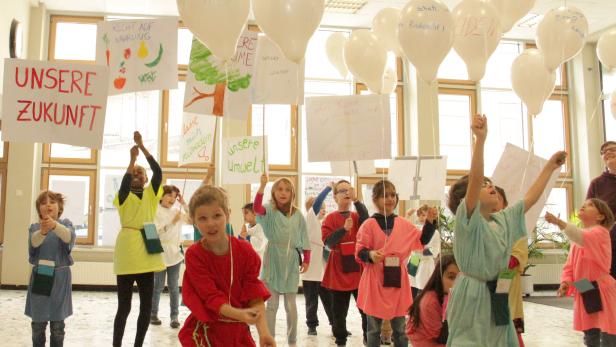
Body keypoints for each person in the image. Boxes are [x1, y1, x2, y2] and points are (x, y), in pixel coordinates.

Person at [445, 114, 567, 346]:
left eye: (490, 183)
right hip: (472, 293)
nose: (490, 185)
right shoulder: (468, 221)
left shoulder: (502, 220)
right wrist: (480, 141)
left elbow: (529, 199)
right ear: (464, 201)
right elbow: (475, 179)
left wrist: (550, 167)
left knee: (503, 339)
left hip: (498, 290)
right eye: (483, 184)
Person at [179, 185, 275, 346]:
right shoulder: (195, 255)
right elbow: (211, 296)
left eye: (217, 215)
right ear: (193, 221)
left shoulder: (245, 251)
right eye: (202, 218)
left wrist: (264, 333)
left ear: (228, 215)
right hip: (206, 331)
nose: (210, 223)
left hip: (238, 333)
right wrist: (239, 314)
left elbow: (254, 294)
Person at [355, 179, 438, 347]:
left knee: (400, 329)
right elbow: (359, 251)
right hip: (375, 280)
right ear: (375, 199)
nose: (390, 198)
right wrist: (370, 254)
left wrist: (430, 222)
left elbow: (422, 240)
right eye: (385, 195)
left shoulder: (403, 224)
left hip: (398, 282)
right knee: (373, 330)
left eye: (393, 195)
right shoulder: (368, 225)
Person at [112, 131, 165, 347]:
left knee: (146, 306)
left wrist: (142, 147)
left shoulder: (152, 195)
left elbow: (158, 172)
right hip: (127, 253)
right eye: (134, 172)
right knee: (124, 307)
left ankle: (138, 345)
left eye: (140, 173)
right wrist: (132, 160)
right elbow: (125, 184)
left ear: (145, 179)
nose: (137, 174)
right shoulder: (123, 196)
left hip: (147, 255)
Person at [546, 199, 616, 347]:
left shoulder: (601, 233)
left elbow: (581, 237)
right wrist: (565, 282)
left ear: (600, 216)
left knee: (607, 335)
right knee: (590, 333)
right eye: (584, 203)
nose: (584, 205)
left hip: (602, 287)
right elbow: (569, 266)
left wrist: (558, 222)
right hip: (584, 285)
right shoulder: (578, 238)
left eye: (591, 205)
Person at [253, 174, 311, 347]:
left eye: (287, 189)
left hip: (292, 260)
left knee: (291, 305)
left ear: (292, 193)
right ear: (274, 192)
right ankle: (269, 340)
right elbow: (256, 209)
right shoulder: (269, 210)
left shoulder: (298, 214)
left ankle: (292, 341)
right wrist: (262, 186)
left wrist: (306, 259)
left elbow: (305, 238)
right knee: (271, 304)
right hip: (273, 258)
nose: (283, 193)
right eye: (279, 189)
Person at [321, 180, 370, 346]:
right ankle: (340, 340)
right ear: (335, 197)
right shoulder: (330, 218)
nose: (346, 193)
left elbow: (368, 221)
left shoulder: (356, 216)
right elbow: (327, 242)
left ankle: (368, 338)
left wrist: (357, 201)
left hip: (357, 268)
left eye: (349, 190)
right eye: (342, 190)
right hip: (338, 269)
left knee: (365, 309)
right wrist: (343, 229)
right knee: (339, 312)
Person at [26, 190, 76, 347]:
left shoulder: (66, 224)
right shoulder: (35, 227)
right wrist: (43, 231)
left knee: (58, 326)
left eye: (52, 202)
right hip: (42, 275)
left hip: (60, 279)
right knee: (38, 325)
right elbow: (34, 242)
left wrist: (54, 225)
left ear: (59, 208)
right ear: (38, 209)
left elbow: (68, 237)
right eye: (43, 203)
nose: (47, 205)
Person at [494, 186, 528, 347]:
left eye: (497, 197)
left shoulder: (513, 225)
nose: (493, 201)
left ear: (505, 204)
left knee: (507, 321)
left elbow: (517, 254)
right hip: (480, 284)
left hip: (505, 278)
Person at [150, 185, 188, 328]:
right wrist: (172, 222)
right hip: (160, 252)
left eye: (175, 196)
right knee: (158, 286)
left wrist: (183, 203)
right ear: (161, 196)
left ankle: (174, 317)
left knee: (173, 286)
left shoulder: (177, 211)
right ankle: (153, 314)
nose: (172, 199)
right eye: (169, 195)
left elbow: (192, 219)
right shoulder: (154, 211)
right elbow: (154, 232)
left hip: (175, 253)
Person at [302, 185, 334, 336]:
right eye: (321, 207)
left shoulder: (320, 225)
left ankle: (335, 324)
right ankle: (312, 326)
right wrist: (328, 188)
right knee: (311, 301)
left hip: (321, 272)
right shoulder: (310, 218)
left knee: (329, 300)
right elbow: (317, 203)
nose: (324, 210)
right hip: (310, 272)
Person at [407, 254, 459, 347]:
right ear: (440, 276)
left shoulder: (447, 295)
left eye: (460, 279)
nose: (456, 283)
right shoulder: (430, 301)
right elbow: (440, 336)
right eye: (451, 277)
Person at [586, 141, 616, 278]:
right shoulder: (597, 183)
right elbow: (587, 212)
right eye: (604, 152)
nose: (608, 152)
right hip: (605, 238)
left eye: (612, 149)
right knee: (605, 276)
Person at [411, 205, 441, 299]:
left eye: (425, 215)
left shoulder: (435, 232)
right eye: (421, 215)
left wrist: (422, 251)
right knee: (411, 286)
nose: (422, 217)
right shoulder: (414, 228)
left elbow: (435, 250)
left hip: (425, 262)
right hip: (413, 260)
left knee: (423, 289)